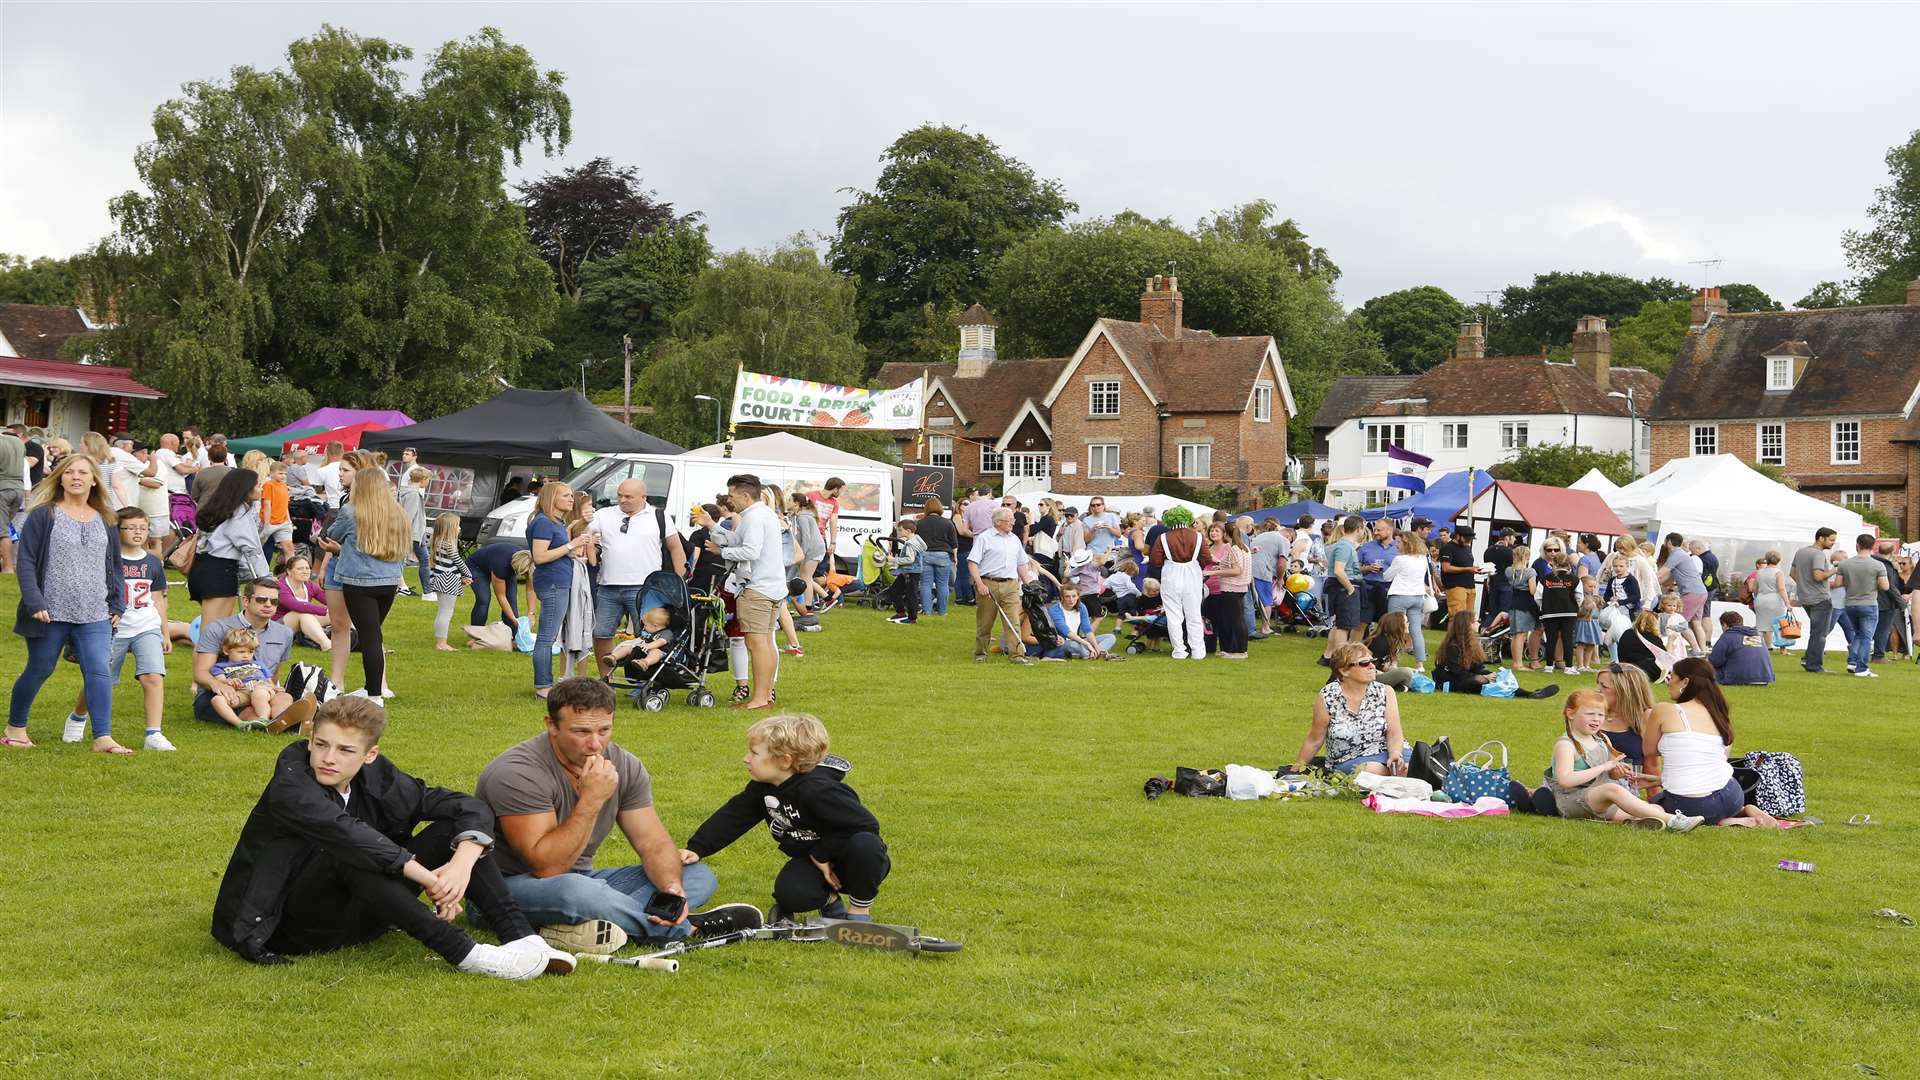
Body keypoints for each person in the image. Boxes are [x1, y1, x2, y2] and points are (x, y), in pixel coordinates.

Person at [212, 696, 570, 978]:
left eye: (345, 750)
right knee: (352, 852)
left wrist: (461, 864)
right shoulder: (292, 782)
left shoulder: (376, 776)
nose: (327, 758)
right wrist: (431, 880)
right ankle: (466, 954)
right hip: (287, 925)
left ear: (370, 755)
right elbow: (350, 836)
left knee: (454, 832)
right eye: (320, 744)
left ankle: (521, 938)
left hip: (359, 912)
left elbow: (465, 806)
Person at [475, 678, 760, 953]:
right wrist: (591, 800)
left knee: (695, 874)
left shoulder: (625, 764)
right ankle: (685, 929)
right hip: (505, 890)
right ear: (552, 725)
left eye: (604, 730)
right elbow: (547, 868)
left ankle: (596, 926)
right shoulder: (517, 772)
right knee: (576, 892)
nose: (596, 744)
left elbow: (653, 843)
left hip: (584, 879)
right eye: (582, 732)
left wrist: (671, 889)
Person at [682, 713, 887, 924]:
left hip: (853, 861)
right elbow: (734, 815)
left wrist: (821, 855)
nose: (746, 758)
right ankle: (830, 902)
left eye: (754, 753)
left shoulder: (819, 789)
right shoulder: (763, 787)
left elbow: (865, 825)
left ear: (784, 761)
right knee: (789, 894)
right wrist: (698, 847)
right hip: (813, 862)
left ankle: (859, 913)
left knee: (866, 845)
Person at [7, 455, 128, 753]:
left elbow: (114, 565)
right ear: (59, 478)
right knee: (40, 668)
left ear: (94, 479)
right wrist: (35, 601)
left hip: (95, 612)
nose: (76, 477)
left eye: (83, 472)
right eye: (69, 472)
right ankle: (15, 728)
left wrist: (117, 604)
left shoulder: (107, 518)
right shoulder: (44, 514)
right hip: (49, 611)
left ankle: (103, 738)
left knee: (99, 669)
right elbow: (26, 562)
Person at [63, 507, 175, 752]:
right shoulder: (106, 559)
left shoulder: (153, 562)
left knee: (153, 676)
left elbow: (158, 600)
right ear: (117, 531)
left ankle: (154, 733)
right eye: (131, 527)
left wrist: (164, 632)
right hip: (112, 628)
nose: (137, 532)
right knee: (101, 679)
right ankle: (78, 717)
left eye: (142, 528)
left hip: (146, 625)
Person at [1644, 659, 1778, 826]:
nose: (1668, 682)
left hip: (1687, 804)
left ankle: (1726, 819)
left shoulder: (1663, 710)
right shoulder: (1719, 714)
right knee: (1709, 805)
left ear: (1685, 682)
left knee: (1652, 807)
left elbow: (1649, 751)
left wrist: (1647, 719)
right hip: (1731, 795)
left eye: (1672, 676)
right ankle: (1738, 813)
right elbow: (1715, 760)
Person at [1545, 690, 1701, 831]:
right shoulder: (1566, 745)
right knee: (1613, 790)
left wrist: (1616, 772)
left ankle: (1633, 822)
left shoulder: (1601, 738)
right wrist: (1604, 767)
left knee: (1654, 810)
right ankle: (1675, 821)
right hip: (1571, 800)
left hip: (1599, 799)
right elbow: (1565, 780)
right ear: (1570, 713)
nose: (1596, 719)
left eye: (1601, 715)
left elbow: (1609, 773)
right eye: (1590, 714)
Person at [586, 478, 686, 677]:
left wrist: (680, 581)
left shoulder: (659, 516)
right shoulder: (604, 514)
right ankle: (606, 678)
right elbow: (581, 532)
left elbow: (676, 548)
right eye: (620, 495)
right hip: (608, 586)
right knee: (600, 634)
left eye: (628, 497)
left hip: (645, 589)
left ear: (643, 497)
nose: (622, 500)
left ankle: (645, 678)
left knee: (649, 636)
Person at [193, 577, 317, 732]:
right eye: (261, 599)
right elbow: (201, 673)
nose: (268, 605)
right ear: (246, 601)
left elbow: (274, 672)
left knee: (284, 698)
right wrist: (218, 684)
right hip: (224, 695)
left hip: (260, 689)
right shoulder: (218, 628)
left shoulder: (284, 633)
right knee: (251, 710)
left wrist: (274, 688)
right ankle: (292, 723)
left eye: (274, 601)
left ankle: (283, 721)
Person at [1294, 642, 1407, 775]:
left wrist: (1395, 754)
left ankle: (1397, 776)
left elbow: (1394, 733)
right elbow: (1315, 740)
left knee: (1411, 766)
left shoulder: (1385, 691)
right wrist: (1294, 771)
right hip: (1350, 759)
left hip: (1389, 751)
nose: (1372, 666)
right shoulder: (1328, 696)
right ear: (1344, 670)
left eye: (1372, 661)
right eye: (1364, 663)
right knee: (1368, 771)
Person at [969, 505, 1035, 665]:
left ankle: (1017, 655)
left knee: (1013, 620)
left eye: (1012, 520)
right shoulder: (985, 538)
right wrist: (979, 584)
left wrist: (1029, 584)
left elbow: (1021, 564)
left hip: (1010, 585)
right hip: (988, 583)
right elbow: (972, 562)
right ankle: (980, 652)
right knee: (985, 621)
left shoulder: (1014, 539)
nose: (1013, 523)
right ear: (998, 522)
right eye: (1009, 520)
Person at [1148, 506, 1205, 661]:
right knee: (1194, 615)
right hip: (1192, 574)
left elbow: (1155, 561)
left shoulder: (1163, 537)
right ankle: (1198, 651)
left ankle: (1179, 650)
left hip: (1171, 574)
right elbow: (1206, 557)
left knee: (1174, 615)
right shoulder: (1198, 536)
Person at [1833, 533, 1889, 677]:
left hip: (1850, 604)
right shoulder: (1878, 565)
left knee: (1858, 634)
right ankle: (1862, 668)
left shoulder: (1845, 564)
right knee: (1866, 637)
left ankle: (1852, 662)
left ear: (1857, 545)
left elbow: (1838, 583)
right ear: (1873, 546)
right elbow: (1885, 586)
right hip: (1869, 603)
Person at [204, 627, 282, 727]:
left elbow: (269, 681)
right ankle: (239, 724)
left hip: (260, 687)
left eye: (250, 652)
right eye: (241, 652)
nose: (246, 656)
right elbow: (221, 681)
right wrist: (230, 682)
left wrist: (274, 687)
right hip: (241, 692)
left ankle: (264, 719)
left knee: (258, 694)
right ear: (226, 651)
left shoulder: (258, 664)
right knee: (217, 700)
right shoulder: (220, 666)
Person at [1381, 531, 1432, 672]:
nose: (1396, 545)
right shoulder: (1422, 558)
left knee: (1394, 630)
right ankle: (1420, 664)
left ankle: (1394, 661)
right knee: (1416, 630)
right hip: (1417, 596)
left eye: (1399, 542)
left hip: (1399, 595)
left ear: (1406, 544)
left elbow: (1387, 577)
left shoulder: (1400, 559)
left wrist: (1383, 569)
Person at [1201, 521, 1250, 659]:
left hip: (1232, 587)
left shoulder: (1233, 548)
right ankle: (1232, 650)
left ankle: (1240, 651)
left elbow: (1236, 570)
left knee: (1236, 621)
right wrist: (1221, 567)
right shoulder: (1244, 547)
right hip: (1240, 587)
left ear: (1225, 533)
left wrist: (1212, 573)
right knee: (1235, 620)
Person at [1658, 533, 1712, 650]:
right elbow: (1667, 577)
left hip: (1691, 592)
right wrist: (1658, 583)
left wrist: (1647, 580)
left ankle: (1696, 650)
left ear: (1669, 542)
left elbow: (1662, 572)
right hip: (1701, 592)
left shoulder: (1676, 554)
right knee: (1696, 623)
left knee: (1680, 622)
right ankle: (1702, 650)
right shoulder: (1681, 555)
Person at [1537, 544, 1582, 674]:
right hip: (1569, 613)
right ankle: (1568, 667)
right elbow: (1579, 596)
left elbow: (1538, 596)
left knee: (1551, 639)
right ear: (1568, 564)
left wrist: (1544, 606)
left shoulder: (1545, 578)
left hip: (1549, 613)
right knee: (1567, 639)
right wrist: (1574, 606)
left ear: (1553, 563)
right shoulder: (1574, 579)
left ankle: (1548, 666)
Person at [1041, 582, 1114, 660]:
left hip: (1079, 640)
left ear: (1078, 596)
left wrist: (1095, 646)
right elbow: (1066, 632)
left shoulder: (1081, 607)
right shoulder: (1055, 610)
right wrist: (1087, 644)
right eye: (1067, 597)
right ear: (1062, 597)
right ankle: (1090, 653)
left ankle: (1098, 652)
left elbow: (1087, 630)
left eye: (1074, 596)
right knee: (1074, 645)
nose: (1071, 600)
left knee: (1110, 637)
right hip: (1064, 642)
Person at [276, 553, 332, 650]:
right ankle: (327, 645)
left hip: (300, 626)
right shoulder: (280, 586)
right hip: (278, 627)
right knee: (303, 614)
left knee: (337, 613)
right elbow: (295, 605)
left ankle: (353, 636)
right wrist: (325, 610)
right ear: (289, 571)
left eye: (307, 568)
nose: (305, 571)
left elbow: (330, 601)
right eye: (300, 569)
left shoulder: (308, 585)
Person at [913, 496, 957, 616]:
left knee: (925, 584)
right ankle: (943, 611)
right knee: (942, 584)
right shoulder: (948, 522)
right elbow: (954, 543)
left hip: (925, 554)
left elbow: (915, 541)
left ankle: (927, 611)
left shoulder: (920, 523)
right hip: (943, 555)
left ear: (926, 509)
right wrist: (955, 557)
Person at [1432, 615, 1497, 695]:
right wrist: (1483, 678)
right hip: (1451, 681)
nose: (1478, 624)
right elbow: (1458, 673)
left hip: (1466, 678)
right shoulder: (1452, 647)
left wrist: (1490, 674)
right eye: (1476, 621)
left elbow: (1478, 668)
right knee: (1482, 684)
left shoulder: (1473, 644)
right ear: (1467, 624)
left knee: (1497, 680)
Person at [1708, 611, 1775, 685]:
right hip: (1764, 678)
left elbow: (1714, 661)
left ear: (1725, 624)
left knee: (1706, 668)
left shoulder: (1728, 636)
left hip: (1739, 678)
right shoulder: (1757, 636)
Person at [1249, 519, 1289, 637]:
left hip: (1249, 569)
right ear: (1289, 535)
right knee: (1266, 600)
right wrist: (1281, 578)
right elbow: (1282, 564)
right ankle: (1266, 627)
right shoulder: (1284, 540)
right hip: (1262, 571)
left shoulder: (1259, 536)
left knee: (1251, 600)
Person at [396, 466, 431, 598]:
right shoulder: (413, 495)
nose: (428, 483)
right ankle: (427, 592)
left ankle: (401, 587)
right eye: (428, 479)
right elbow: (408, 516)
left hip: (414, 533)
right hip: (413, 533)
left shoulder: (409, 493)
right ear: (423, 479)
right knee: (423, 560)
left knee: (402, 560)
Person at [1356, 518, 1398, 628]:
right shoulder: (1366, 547)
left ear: (1390, 530)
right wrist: (1368, 568)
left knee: (1388, 625)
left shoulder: (1400, 548)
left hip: (1389, 590)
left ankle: (1384, 645)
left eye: (1379, 530)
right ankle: (1354, 645)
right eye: (1375, 530)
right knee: (1361, 623)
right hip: (1368, 589)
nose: (1375, 533)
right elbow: (1354, 568)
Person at [1504, 544, 1539, 670]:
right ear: (1527, 556)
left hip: (1513, 603)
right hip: (1525, 604)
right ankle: (1518, 664)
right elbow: (1532, 590)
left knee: (1515, 634)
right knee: (1521, 634)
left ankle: (1516, 662)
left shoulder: (1509, 570)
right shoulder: (1530, 572)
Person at [1363, 610, 1417, 689]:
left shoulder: (1393, 641)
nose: (1408, 624)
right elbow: (1369, 667)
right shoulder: (1379, 642)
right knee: (1407, 672)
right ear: (1397, 625)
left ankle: (1398, 686)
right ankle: (1397, 685)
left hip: (1379, 674)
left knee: (1409, 673)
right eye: (1406, 622)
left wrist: (1394, 670)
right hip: (1370, 676)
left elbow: (1386, 666)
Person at [884, 518, 925, 625]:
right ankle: (901, 613)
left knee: (911, 595)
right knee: (894, 590)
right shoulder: (916, 540)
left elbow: (910, 559)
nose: (899, 532)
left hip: (911, 573)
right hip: (907, 572)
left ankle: (912, 619)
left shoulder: (910, 544)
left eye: (900, 530)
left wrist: (893, 560)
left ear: (908, 531)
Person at [258, 460, 296, 569]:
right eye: (280, 473)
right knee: (257, 549)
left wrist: (288, 520)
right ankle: (253, 571)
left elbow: (285, 505)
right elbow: (267, 504)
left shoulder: (284, 486)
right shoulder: (268, 485)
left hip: (283, 522)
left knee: (289, 548)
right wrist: (266, 523)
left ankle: (291, 574)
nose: (283, 476)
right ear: (271, 473)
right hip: (269, 522)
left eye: (285, 474)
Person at [1437, 526, 1479, 618]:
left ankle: (1465, 632)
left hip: (1470, 585)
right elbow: (1446, 568)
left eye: (1471, 539)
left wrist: (1474, 569)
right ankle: (1454, 632)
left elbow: (1466, 564)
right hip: (1455, 586)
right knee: (1457, 617)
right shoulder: (1447, 548)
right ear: (1458, 536)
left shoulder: (1467, 548)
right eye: (1467, 539)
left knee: (1469, 618)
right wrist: (1468, 569)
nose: (1469, 541)